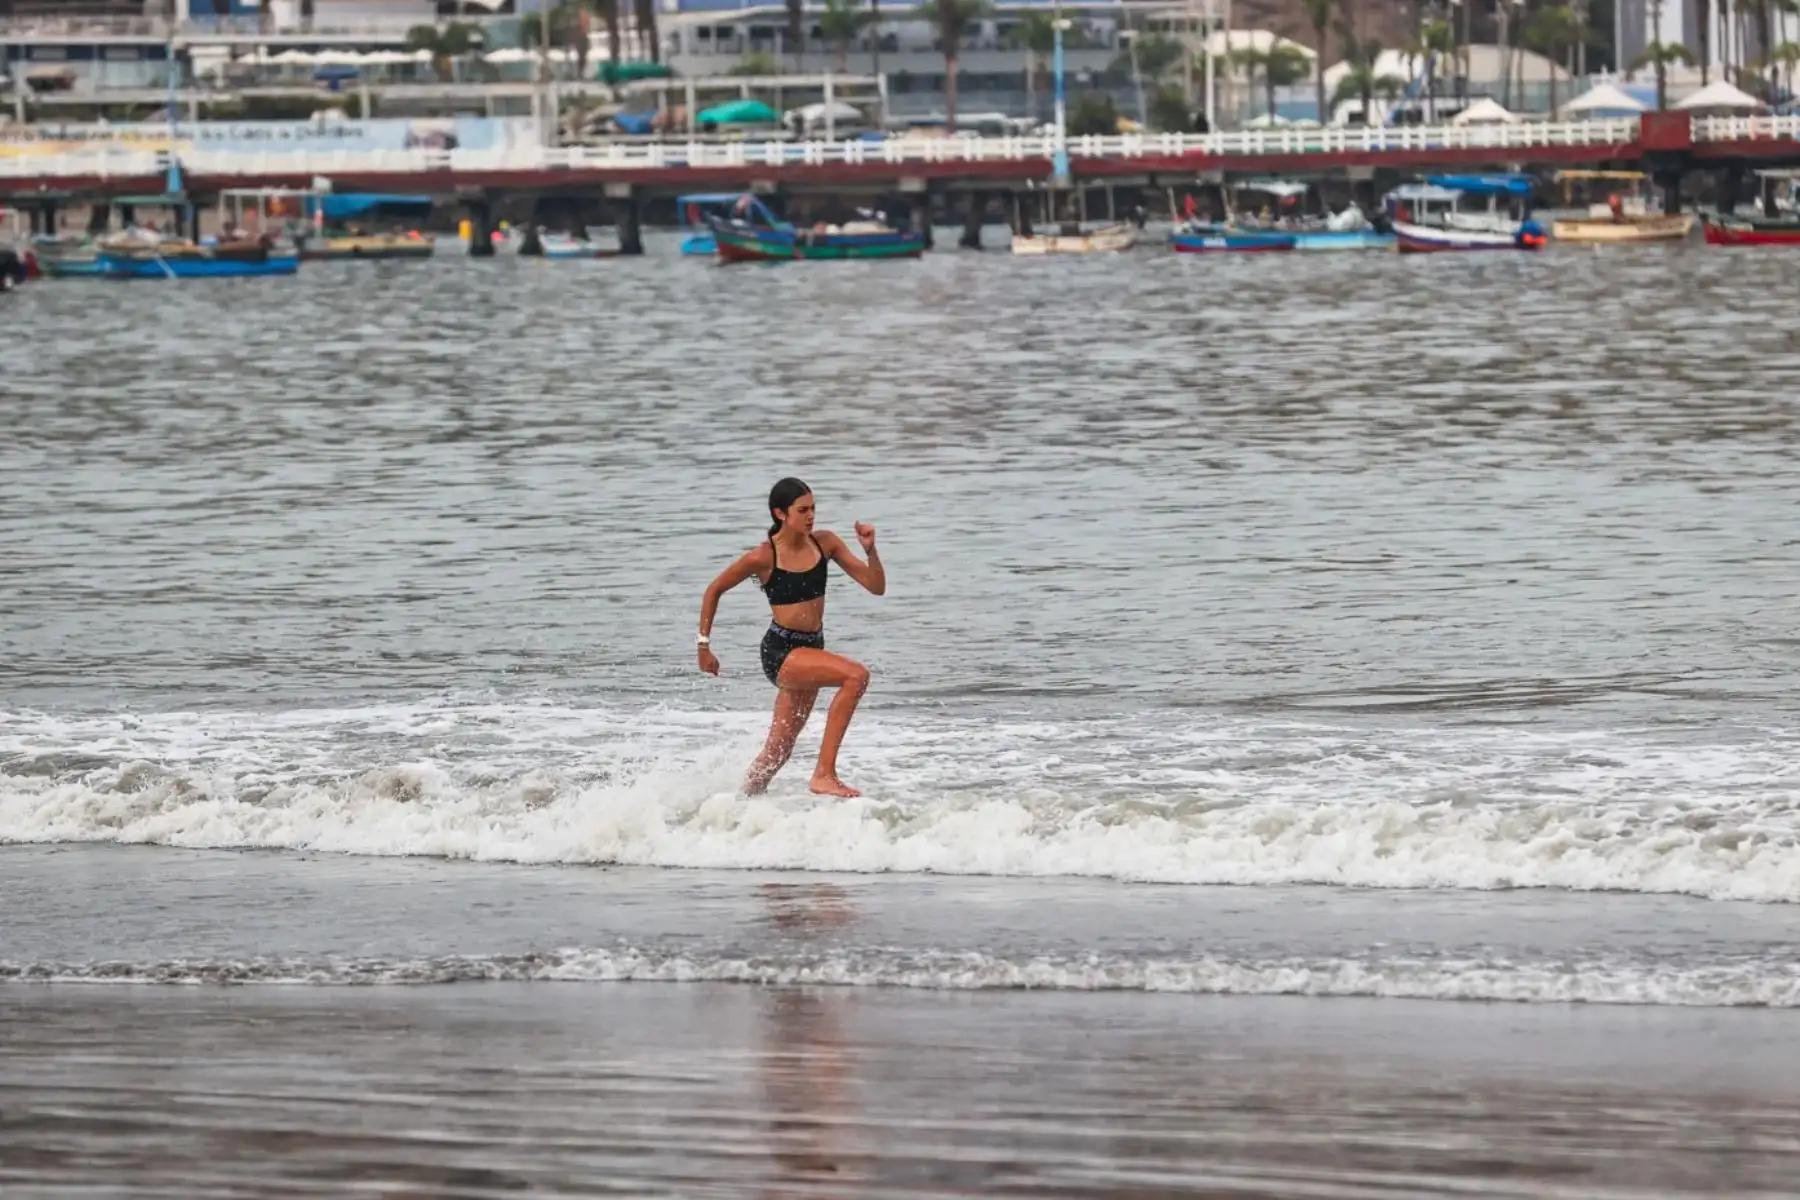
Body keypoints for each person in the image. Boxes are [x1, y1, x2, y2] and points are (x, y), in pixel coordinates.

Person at [696, 478, 885, 797]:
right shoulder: (764, 556)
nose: (811, 516)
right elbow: (714, 589)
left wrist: (871, 551)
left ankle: (738, 805)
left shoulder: (825, 543)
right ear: (780, 513)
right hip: (781, 651)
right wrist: (704, 645)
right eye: (803, 510)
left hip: (812, 648)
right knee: (856, 676)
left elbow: (876, 586)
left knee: (778, 751)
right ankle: (824, 774)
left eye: (813, 508)